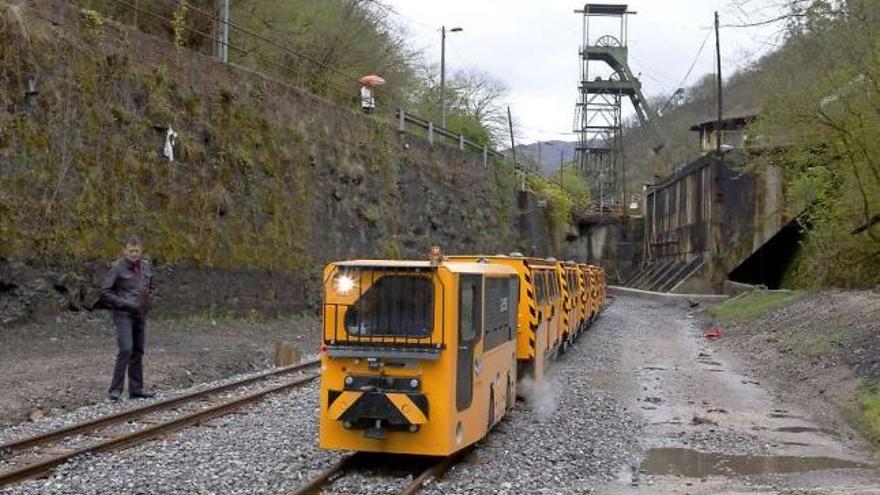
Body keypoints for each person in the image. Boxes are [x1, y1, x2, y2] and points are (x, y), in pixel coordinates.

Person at [100, 235, 155, 401]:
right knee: (126, 349)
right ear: (125, 251)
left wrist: (149, 300)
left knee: (138, 351)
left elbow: (151, 286)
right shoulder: (117, 268)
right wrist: (124, 303)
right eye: (131, 251)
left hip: (140, 314)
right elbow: (105, 292)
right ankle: (115, 390)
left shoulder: (145, 267)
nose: (134, 254)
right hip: (123, 314)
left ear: (141, 250)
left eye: (137, 251)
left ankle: (136, 389)